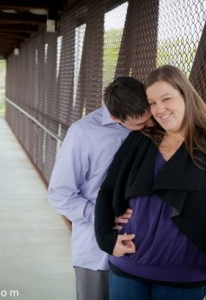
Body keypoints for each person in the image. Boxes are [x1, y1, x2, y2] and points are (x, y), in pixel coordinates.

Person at [94, 65, 206, 299]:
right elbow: (107, 189)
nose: (160, 109)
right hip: (127, 267)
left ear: (185, 95)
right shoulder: (140, 138)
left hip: (183, 275)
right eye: (152, 102)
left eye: (166, 98)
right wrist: (106, 239)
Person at [48, 76, 154, 300]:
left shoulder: (153, 124)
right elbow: (59, 194)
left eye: (149, 118)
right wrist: (102, 217)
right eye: (141, 125)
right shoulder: (82, 133)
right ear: (115, 118)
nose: (150, 126)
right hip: (96, 253)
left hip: (144, 247)